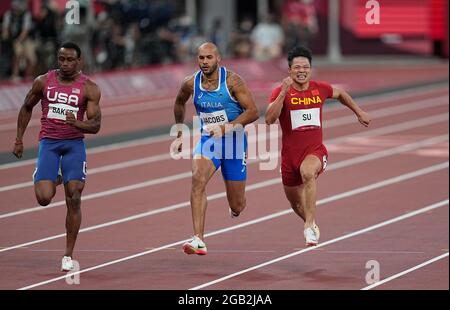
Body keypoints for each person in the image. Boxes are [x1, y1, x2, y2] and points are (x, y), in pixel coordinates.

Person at [265, 46, 371, 246]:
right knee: (295, 202)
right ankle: (310, 222)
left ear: (311, 69)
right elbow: (270, 119)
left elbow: (340, 94)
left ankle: (309, 225)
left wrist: (359, 112)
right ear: (289, 70)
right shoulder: (280, 92)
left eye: (305, 67)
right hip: (289, 157)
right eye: (297, 67)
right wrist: (283, 93)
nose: (302, 70)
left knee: (308, 173)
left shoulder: (320, 88)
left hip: (315, 151)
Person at [12, 42, 102, 271]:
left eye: (70, 60)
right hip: (49, 144)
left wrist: (77, 123)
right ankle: (52, 176)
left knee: (74, 197)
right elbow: (26, 106)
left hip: (74, 145)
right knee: (44, 198)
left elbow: (95, 125)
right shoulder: (43, 81)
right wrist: (19, 139)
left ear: (79, 61)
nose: (65, 64)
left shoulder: (89, 88)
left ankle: (68, 255)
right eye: (61, 59)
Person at [173, 42, 259, 255]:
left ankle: (235, 209)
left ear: (218, 59)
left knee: (238, 204)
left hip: (235, 142)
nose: (204, 62)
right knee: (197, 179)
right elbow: (179, 102)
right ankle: (198, 239)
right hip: (208, 140)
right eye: (201, 58)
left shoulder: (233, 81)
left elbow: (253, 112)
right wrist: (179, 129)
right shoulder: (190, 83)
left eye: (209, 58)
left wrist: (225, 127)